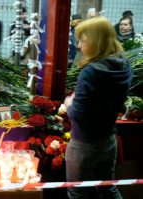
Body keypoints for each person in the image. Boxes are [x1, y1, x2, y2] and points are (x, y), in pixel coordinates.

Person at [64, 17, 133, 199]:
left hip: (84, 144)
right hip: (109, 140)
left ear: (96, 41)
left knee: (77, 193)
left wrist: (69, 104)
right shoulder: (124, 65)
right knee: (108, 187)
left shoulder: (91, 71)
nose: (78, 45)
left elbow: (78, 114)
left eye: (83, 40)